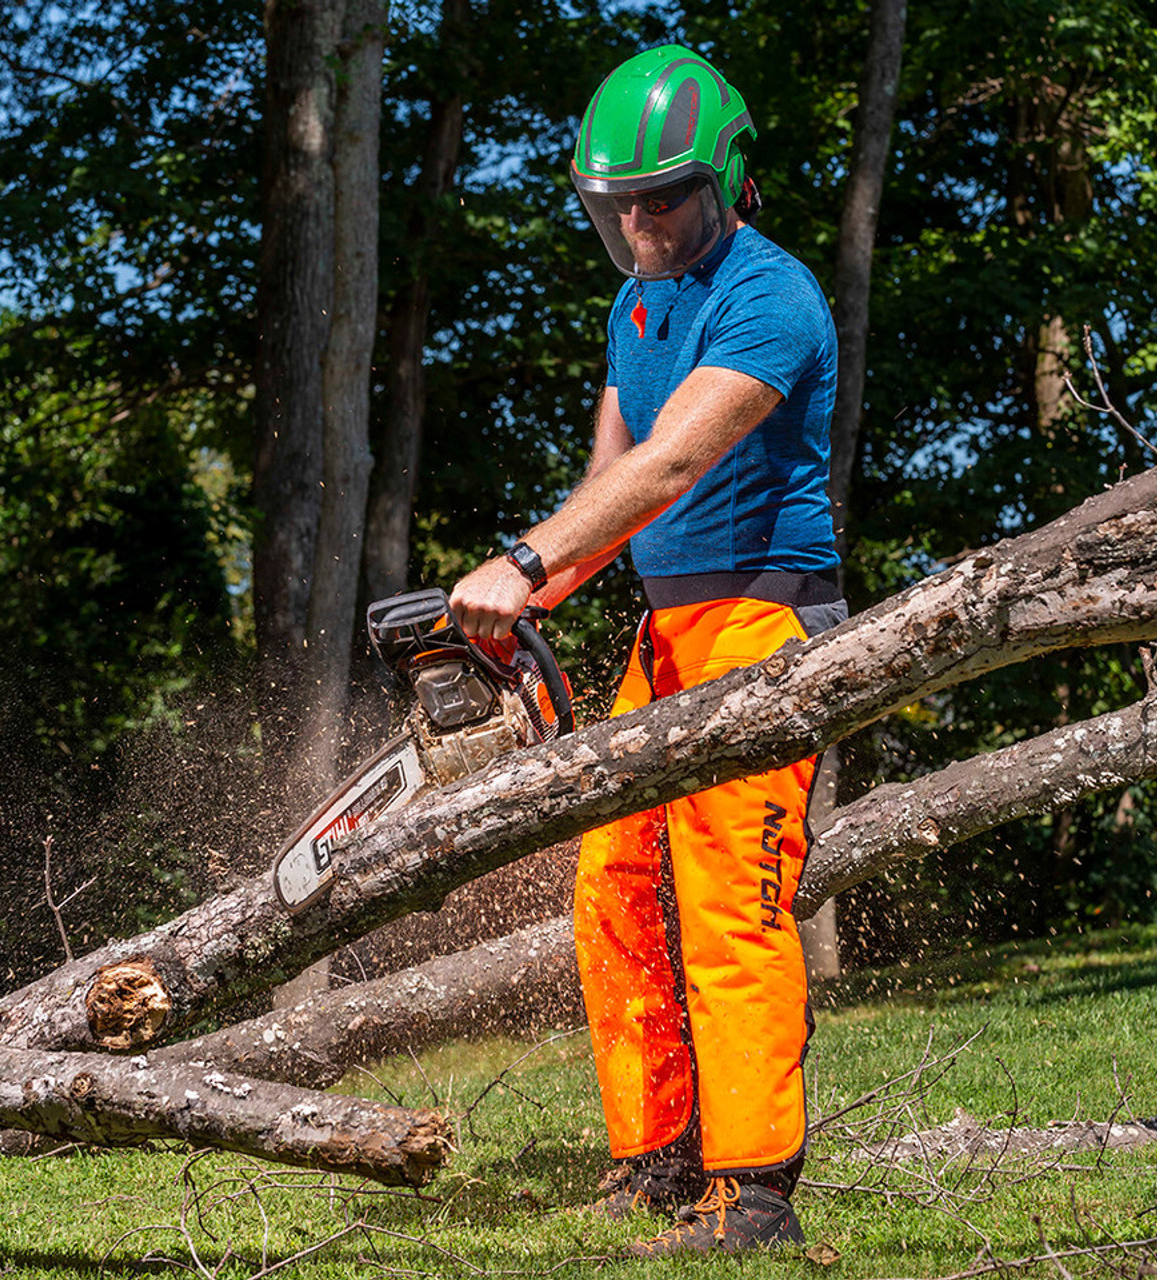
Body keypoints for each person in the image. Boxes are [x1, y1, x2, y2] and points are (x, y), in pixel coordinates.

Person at [449, 43, 844, 1255]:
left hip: (766, 623)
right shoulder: (633, 304)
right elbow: (611, 486)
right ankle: (655, 1156)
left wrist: (515, 567)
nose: (637, 219)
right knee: (612, 882)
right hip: (664, 626)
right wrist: (520, 602)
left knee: (728, 900)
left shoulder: (767, 296)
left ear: (721, 180)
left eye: (662, 195)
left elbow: (676, 460)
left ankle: (755, 1190)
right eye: (616, 200)